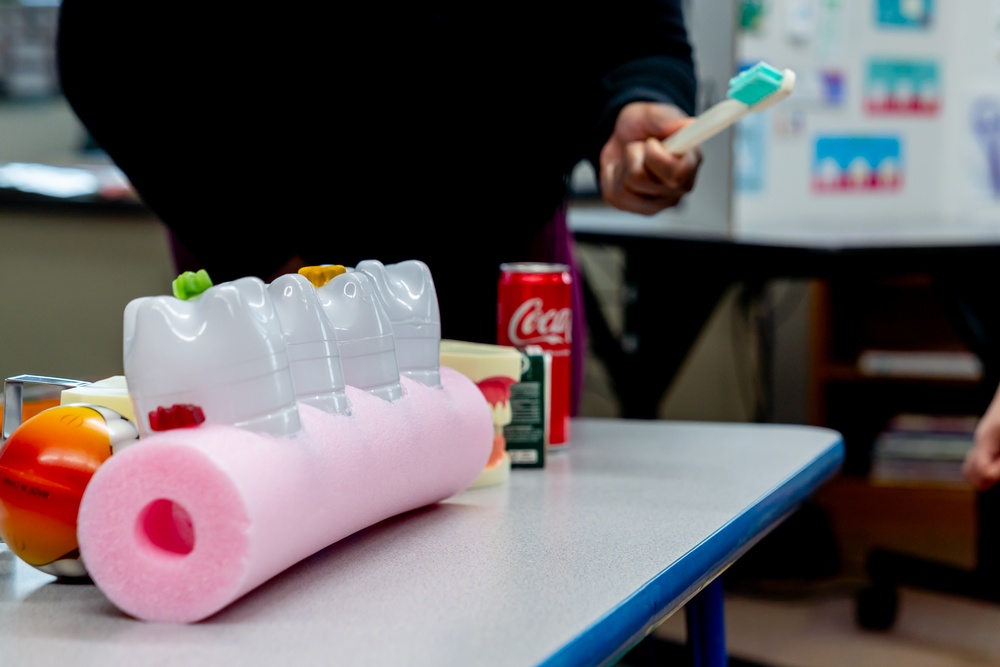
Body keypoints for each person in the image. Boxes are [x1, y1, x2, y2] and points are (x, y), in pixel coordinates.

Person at [54, 1, 704, 415]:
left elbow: (640, 29)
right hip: (272, 274)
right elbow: (102, 51)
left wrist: (639, 99)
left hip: (495, 265)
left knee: (529, 543)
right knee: (287, 558)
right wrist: (257, 244)